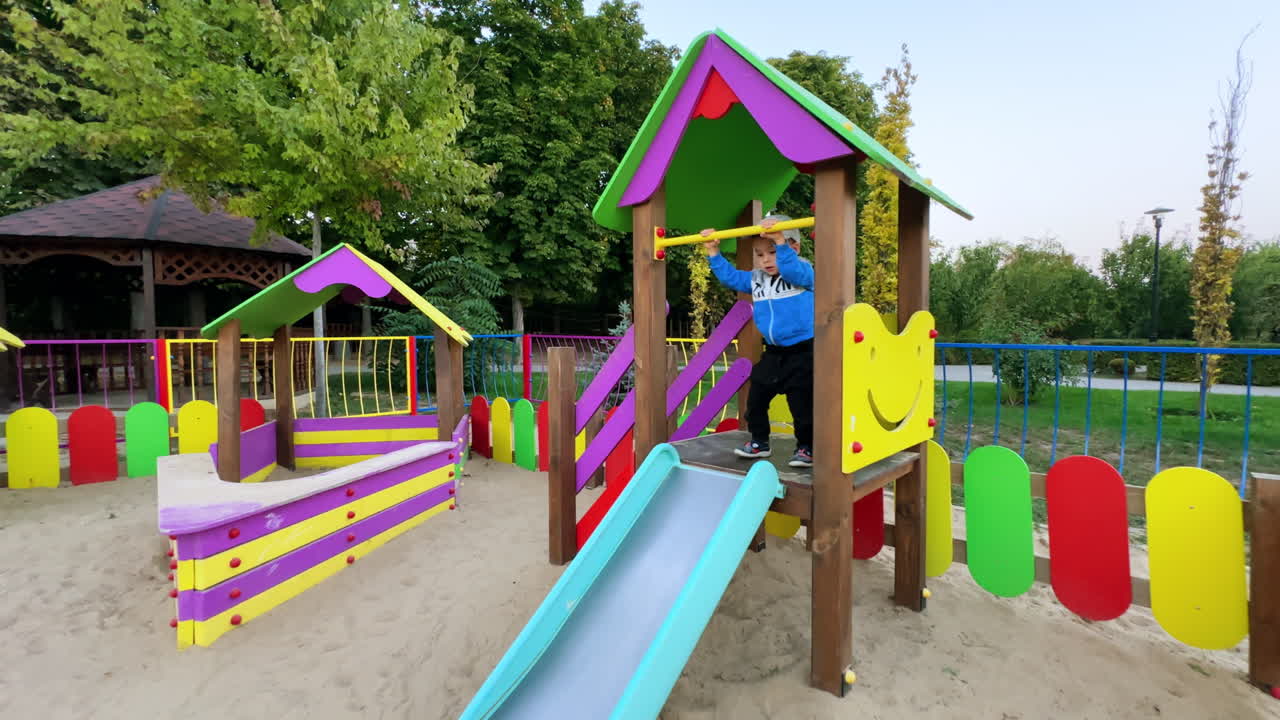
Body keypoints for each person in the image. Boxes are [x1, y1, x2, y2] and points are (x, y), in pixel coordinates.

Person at [702, 214, 814, 468]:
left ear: (794, 248)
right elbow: (730, 278)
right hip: (774, 352)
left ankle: (807, 447)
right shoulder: (757, 279)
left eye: (773, 252)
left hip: (803, 351)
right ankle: (759, 442)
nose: (766, 260)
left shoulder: (804, 272)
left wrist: (781, 243)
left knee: (802, 404)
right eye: (760, 254)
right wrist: (714, 253)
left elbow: (791, 270)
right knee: (756, 398)